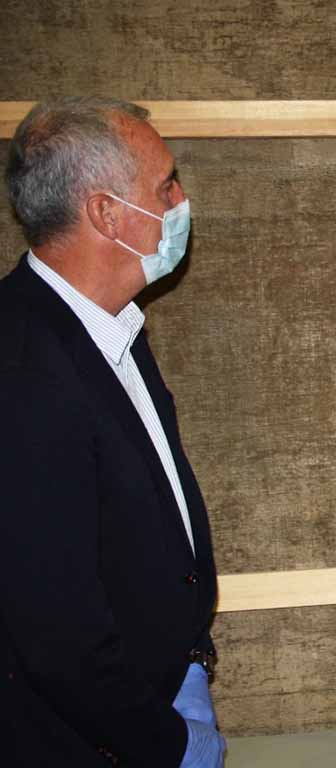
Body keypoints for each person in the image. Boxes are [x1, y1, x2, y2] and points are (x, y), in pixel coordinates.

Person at [0, 97, 223, 767]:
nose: (181, 199)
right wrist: (165, 744)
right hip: (98, 740)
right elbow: (53, 624)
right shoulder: (21, 363)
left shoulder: (111, 329)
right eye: (165, 186)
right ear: (106, 213)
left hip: (163, 690)